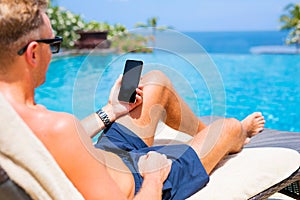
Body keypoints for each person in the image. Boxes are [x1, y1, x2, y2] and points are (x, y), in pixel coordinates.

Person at [0, 0, 265, 199]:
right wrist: (154, 176)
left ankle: (205, 140)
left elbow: (56, 147)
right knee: (228, 126)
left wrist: (110, 111)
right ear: (33, 54)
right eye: (53, 44)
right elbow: (61, 137)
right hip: (142, 181)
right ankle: (234, 136)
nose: (52, 52)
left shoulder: (11, 116)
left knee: (155, 81)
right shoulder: (56, 127)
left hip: (106, 155)